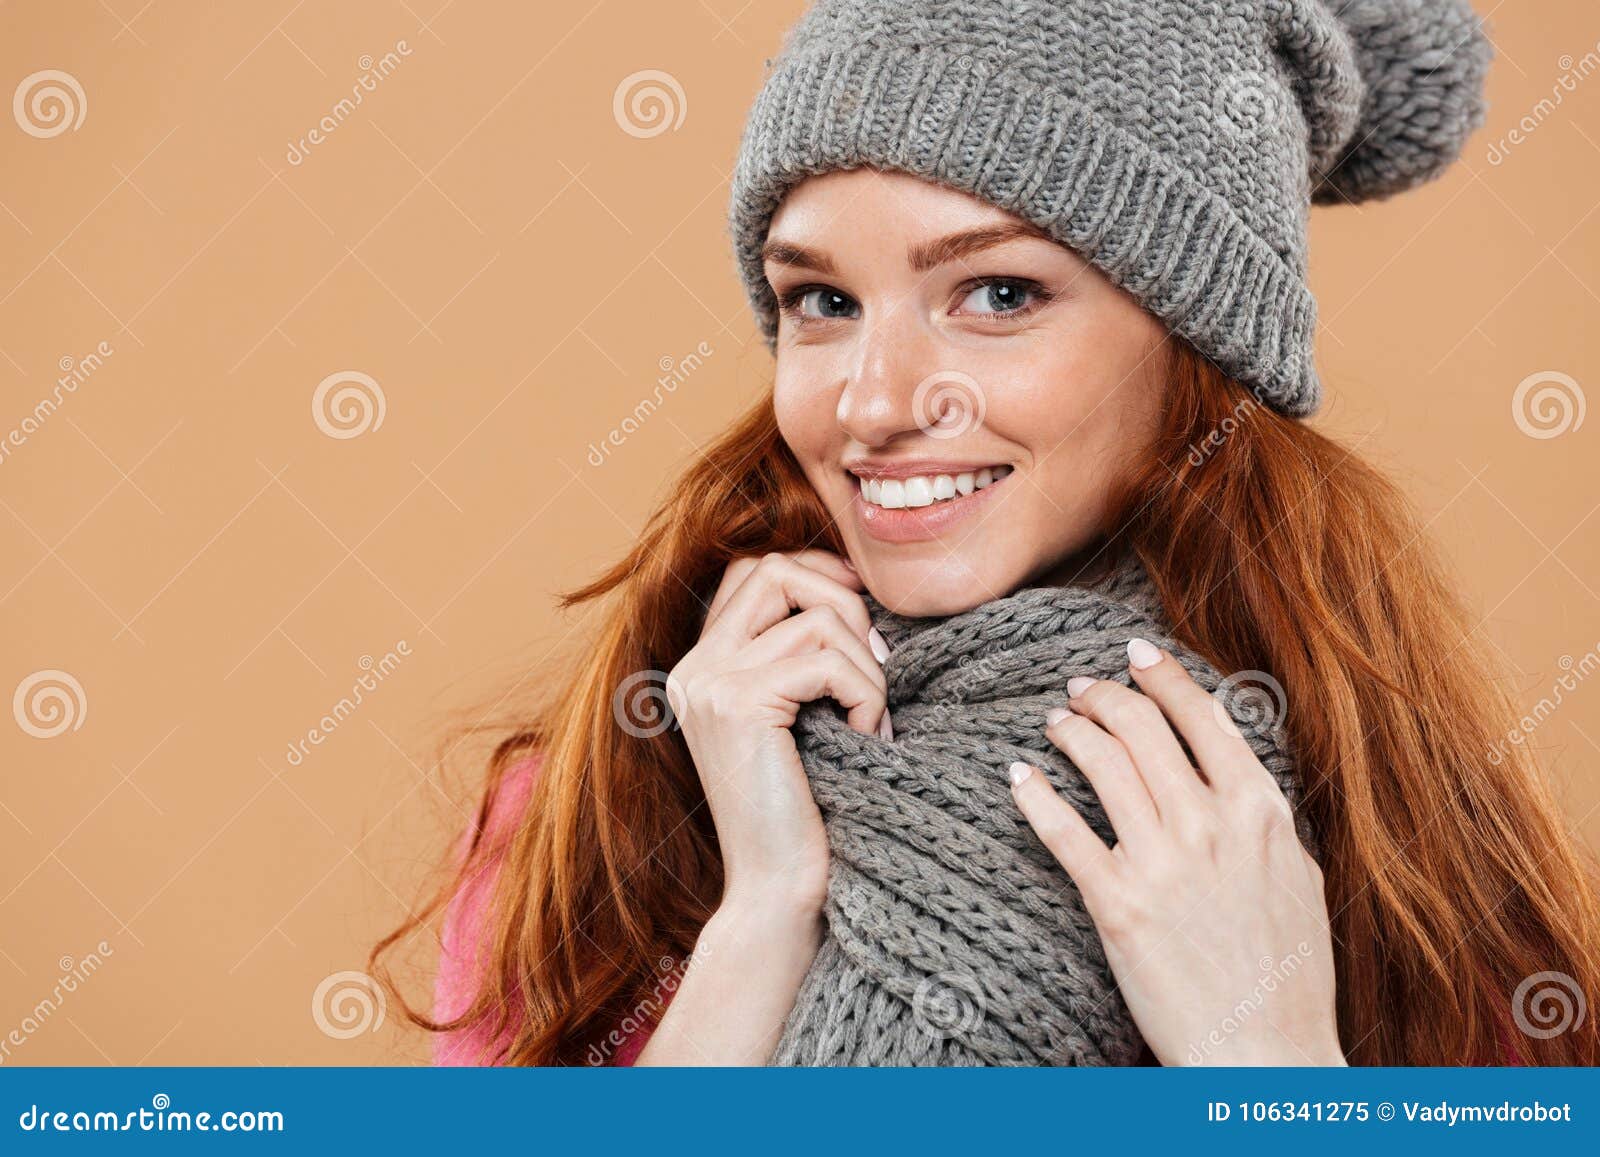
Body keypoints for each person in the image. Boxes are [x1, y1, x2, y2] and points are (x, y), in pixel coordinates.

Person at [371, 0, 1600, 1066]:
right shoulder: (603, 804)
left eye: (997, 293)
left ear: (1199, 347)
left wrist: (1266, 1058)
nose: (874, 401)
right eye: (822, 302)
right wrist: (761, 913)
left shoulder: (1393, 843)